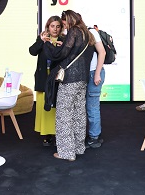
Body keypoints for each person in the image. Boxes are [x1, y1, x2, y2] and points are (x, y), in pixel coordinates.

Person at [44, 10, 95, 161]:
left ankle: (66, 153)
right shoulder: (87, 33)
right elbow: (73, 51)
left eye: (64, 23)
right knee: (79, 114)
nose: (64, 26)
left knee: (64, 115)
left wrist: (47, 43)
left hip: (70, 79)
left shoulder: (74, 31)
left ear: (69, 20)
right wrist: (63, 45)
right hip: (82, 79)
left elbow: (61, 54)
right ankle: (79, 148)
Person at [30, 16, 64, 146]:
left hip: (57, 79)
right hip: (43, 78)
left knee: (56, 107)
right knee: (44, 107)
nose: (55, 29)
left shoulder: (64, 40)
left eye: (58, 26)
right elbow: (32, 51)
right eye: (52, 26)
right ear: (48, 27)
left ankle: (57, 133)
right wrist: (41, 41)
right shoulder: (43, 38)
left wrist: (62, 48)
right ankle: (48, 134)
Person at [86, 25, 106, 148]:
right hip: (92, 73)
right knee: (92, 106)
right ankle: (94, 135)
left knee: (92, 106)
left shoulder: (91, 32)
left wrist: (97, 74)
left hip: (93, 73)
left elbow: (102, 52)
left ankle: (94, 137)